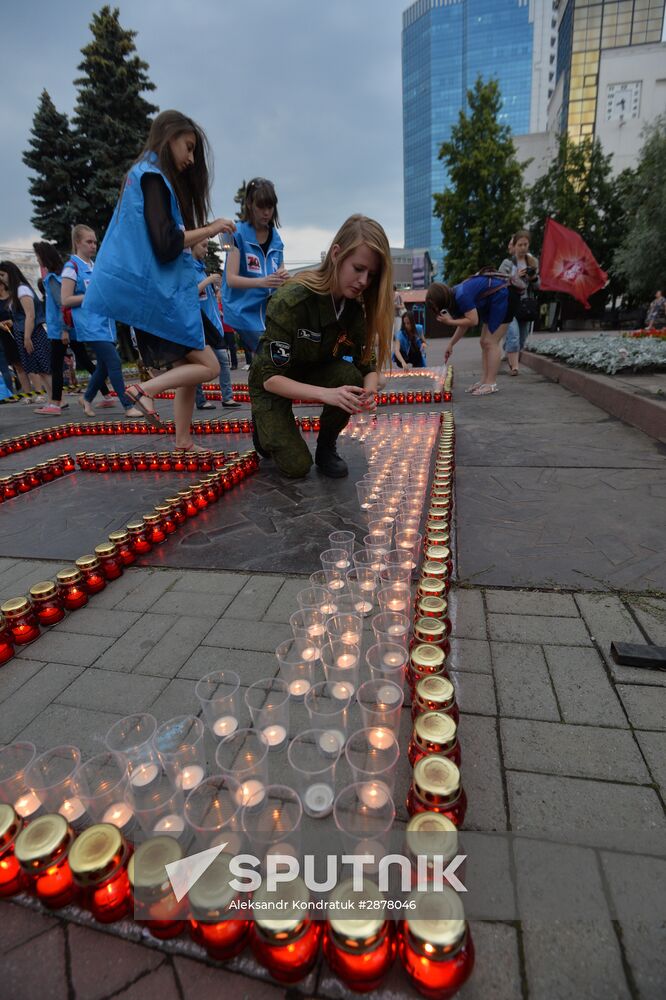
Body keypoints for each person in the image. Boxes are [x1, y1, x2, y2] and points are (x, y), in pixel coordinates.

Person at [84, 109, 235, 452]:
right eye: (189, 147)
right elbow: (166, 244)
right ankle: (145, 390)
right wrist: (213, 227)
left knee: (187, 369)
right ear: (170, 138)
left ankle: (182, 440)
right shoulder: (152, 176)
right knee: (209, 366)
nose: (191, 158)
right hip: (159, 301)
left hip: (155, 299)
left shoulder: (142, 176)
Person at [249, 214, 393, 479]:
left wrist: (369, 391)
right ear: (336, 254)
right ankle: (263, 428)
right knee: (296, 466)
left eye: (371, 275)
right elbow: (270, 379)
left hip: (311, 372)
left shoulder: (353, 311)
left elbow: (366, 367)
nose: (363, 281)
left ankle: (326, 447)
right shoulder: (292, 300)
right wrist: (327, 394)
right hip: (274, 381)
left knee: (350, 378)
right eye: (358, 268)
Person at [60, 226, 141, 418]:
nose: (93, 245)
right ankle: (127, 406)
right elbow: (65, 300)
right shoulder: (72, 267)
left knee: (104, 366)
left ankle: (87, 399)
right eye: (89, 242)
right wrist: (91, 296)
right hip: (90, 325)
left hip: (106, 325)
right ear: (78, 243)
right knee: (114, 361)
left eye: (95, 241)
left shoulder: (94, 266)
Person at [32, 241, 113, 416]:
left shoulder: (52, 278)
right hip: (70, 326)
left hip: (60, 329)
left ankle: (55, 403)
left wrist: (64, 329)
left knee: (56, 365)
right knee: (84, 360)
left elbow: (62, 305)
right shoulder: (60, 275)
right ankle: (106, 395)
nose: (37, 259)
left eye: (37, 256)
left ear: (43, 257)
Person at [222, 177, 288, 367]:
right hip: (242, 311)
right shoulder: (237, 233)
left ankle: (264, 391)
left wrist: (283, 276)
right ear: (250, 205)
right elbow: (231, 279)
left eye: (270, 207)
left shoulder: (276, 238)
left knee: (277, 361)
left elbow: (280, 268)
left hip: (267, 313)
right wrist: (262, 282)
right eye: (261, 207)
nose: (267, 213)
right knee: (271, 359)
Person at [425, 270, 520, 396]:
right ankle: (484, 381)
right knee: (484, 342)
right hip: (493, 302)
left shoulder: (461, 295)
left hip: (505, 296)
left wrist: (449, 322)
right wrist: (451, 344)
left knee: (490, 342)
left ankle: (490, 383)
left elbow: (473, 321)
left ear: (440, 299)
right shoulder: (453, 298)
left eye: (435, 306)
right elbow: (464, 324)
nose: (436, 310)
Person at [192, 238, 240, 409]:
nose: (206, 250)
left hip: (214, 324)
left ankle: (227, 397)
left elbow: (208, 297)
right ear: (192, 246)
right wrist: (209, 280)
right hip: (199, 324)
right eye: (203, 246)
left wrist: (217, 287)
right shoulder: (187, 269)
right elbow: (189, 293)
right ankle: (200, 400)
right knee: (199, 365)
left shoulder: (202, 269)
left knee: (223, 361)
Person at [0, 261, 51, 398]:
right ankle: (54, 401)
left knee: (43, 368)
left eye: (2, 275)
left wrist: (27, 337)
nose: (1, 278)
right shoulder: (17, 290)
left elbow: (30, 315)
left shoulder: (21, 289)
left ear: (11, 274)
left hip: (31, 333)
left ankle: (56, 400)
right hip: (23, 333)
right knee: (38, 368)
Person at [498, 230, 540, 375]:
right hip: (509, 303)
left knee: (521, 339)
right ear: (514, 246)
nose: (523, 247)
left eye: (525, 244)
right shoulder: (507, 263)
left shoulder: (533, 262)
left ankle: (508, 349)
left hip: (525, 305)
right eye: (520, 244)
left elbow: (538, 286)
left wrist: (533, 278)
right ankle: (514, 367)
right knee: (514, 335)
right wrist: (516, 276)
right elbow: (500, 282)